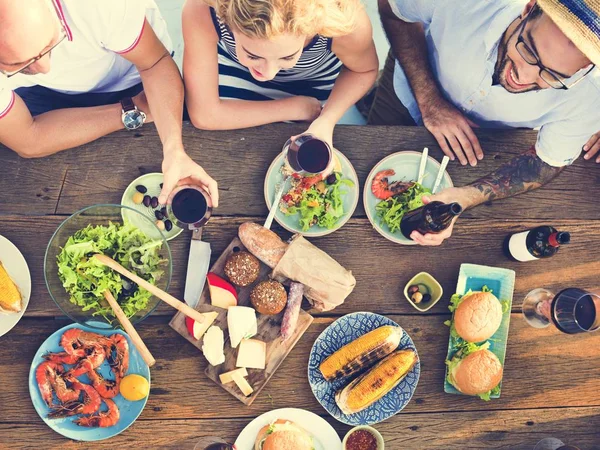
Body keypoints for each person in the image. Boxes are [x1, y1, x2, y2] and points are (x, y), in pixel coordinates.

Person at [374, 0, 600, 246]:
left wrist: (466, 197)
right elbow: (392, 10)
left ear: (586, 69)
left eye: (554, 76)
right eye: (529, 51)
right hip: (407, 88)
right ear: (529, 7)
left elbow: (546, 162)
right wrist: (429, 100)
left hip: (483, 144)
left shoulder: (591, 94)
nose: (523, 78)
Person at [0, 0, 218, 206]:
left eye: (50, 44)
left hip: (133, 73)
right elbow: (29, 139)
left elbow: (155, 63)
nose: (46, 68)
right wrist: (133, 109)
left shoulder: (101, 4)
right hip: (41, 94)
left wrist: (174, 151)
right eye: (21, 64)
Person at [182, 0, 378, 148]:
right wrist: (295, 108)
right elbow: (205, 115)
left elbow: (363, 70)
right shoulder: (202, 10)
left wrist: (326, 119)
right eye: (252, 55)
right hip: (238, 70)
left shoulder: (345, 23)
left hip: (311, 80)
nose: (268, 73)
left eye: (287, 57)